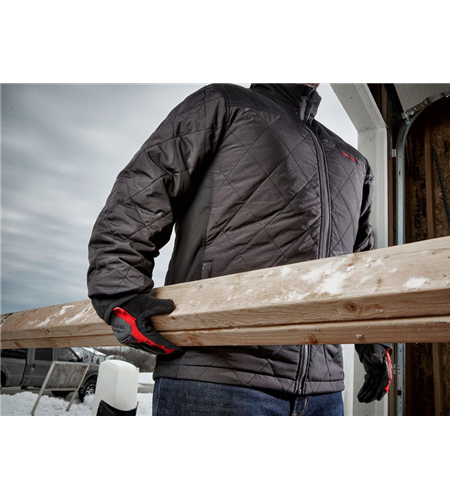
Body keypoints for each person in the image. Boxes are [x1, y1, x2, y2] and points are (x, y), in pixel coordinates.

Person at [87, 83, 392, 416]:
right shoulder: (225, 103)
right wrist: (122, 292)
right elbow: (144, 188)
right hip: (216, 377)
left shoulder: (354, 162)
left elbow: (361, 261)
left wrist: (374, 339)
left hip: (323, 392)